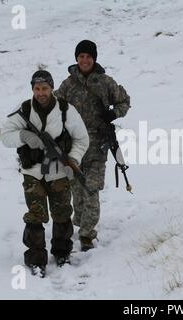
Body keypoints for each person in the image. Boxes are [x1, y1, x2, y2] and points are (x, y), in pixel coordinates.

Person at [1, 70, 89, 276]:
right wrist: (23, 136)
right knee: (35, 215)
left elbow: (82, 139)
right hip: (33, 173)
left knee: (62, 213)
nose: (41, 92)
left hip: (58, 172)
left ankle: (62, 253)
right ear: (33, 89)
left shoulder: (66, 110)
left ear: (51, 88)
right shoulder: (24, 110)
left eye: (45, 88)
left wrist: (73, 160)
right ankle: (36, 259)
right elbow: (5, 136)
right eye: (37, 88)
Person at [55, 40, 131, 251]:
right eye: (81, 56)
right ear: (76, 58)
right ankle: (80, 222)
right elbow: (53, 107)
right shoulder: (68, 84)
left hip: (98, 144)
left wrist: (113, 113)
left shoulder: (106, 82)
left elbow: (124, 101)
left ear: (94, 58)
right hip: (73, 146)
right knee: (77, 190)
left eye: (88, 56)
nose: (85, 60)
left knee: (92, 188)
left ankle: (87, 235)